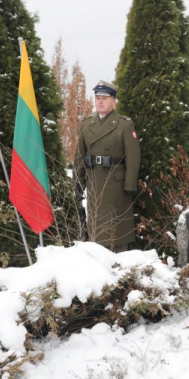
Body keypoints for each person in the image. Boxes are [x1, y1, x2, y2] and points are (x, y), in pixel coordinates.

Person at [74, 80, 141, 252]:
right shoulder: (87, 123)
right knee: (96, 229)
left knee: (116, 231)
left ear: (114, 101)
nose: (100, 102)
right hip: (94, 182)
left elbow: (133, 157)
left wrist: (130, 184)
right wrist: (78, 183)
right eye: (97, 98)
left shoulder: (124, 124)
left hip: (116, 185)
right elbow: (80, 156)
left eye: (104, 98)